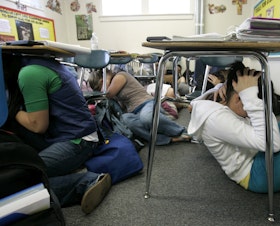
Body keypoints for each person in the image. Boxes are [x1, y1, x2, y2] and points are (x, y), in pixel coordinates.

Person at [187, 62, 280, 224]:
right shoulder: (216, 118)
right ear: (240, 98)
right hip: (255, 175)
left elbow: (194, 103)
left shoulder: (221, 106)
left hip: (260, 155)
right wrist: (250, 96)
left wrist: (221, 87)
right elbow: (273, 144)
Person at [3, 54, 112, 214]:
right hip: (62, 133)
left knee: (22, 176)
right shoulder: (38, 62)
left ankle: (86, 181)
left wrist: (11, 111)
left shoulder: (29, 73)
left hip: (79, 140)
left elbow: (38, 125)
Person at [88, 68, 191, 145]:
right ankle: (167, 139)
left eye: (100, 86)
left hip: (148, 103)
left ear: (103, 79)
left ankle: (183, 131)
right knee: (126, 120)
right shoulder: (112, 85)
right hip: (135, 111)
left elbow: (108, 94)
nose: (101, 90)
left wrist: (104, 82)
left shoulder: (120, 76)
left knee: (146, 118)